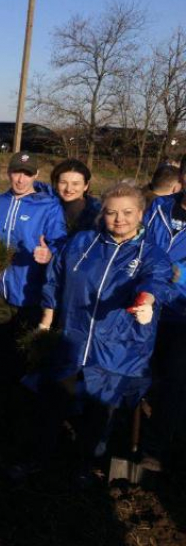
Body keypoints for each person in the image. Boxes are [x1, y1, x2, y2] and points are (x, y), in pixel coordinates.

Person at [29, 183, 172, 474]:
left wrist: (147, 301)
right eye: (112, 213)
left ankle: (86, 467)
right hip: (73, 341)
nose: (120, 219)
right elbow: (54, 280)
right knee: (52, 403)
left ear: (141, 213)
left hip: (118, 349)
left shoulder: (151, 254)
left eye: (128, 212)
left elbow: (156, 281)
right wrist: (46, 321)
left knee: (100, 416)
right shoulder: (82, 243)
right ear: (102, 214)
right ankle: (36, 459)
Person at [0, 152, 67, 380]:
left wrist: (50, 253)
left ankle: (22, 401)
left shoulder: (48, 207)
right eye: (17, 172)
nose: (21, 179)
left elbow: (61, 245)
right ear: (8, 172)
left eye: (27, 174)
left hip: (31, 293)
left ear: (36, 175)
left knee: (26, 353)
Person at [143, 159, 186, 468]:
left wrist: (177, 273)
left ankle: (155, 447)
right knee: (142, 370)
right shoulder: (158, 207)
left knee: (174, 379)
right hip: (148, 304)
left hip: (182, 313)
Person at [50, 158, 101, 235]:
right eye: (63, 182)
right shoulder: (47, 209)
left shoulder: (99, 214)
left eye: (75, 183)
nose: (68, 189)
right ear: (56, 184)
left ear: (86, 186)